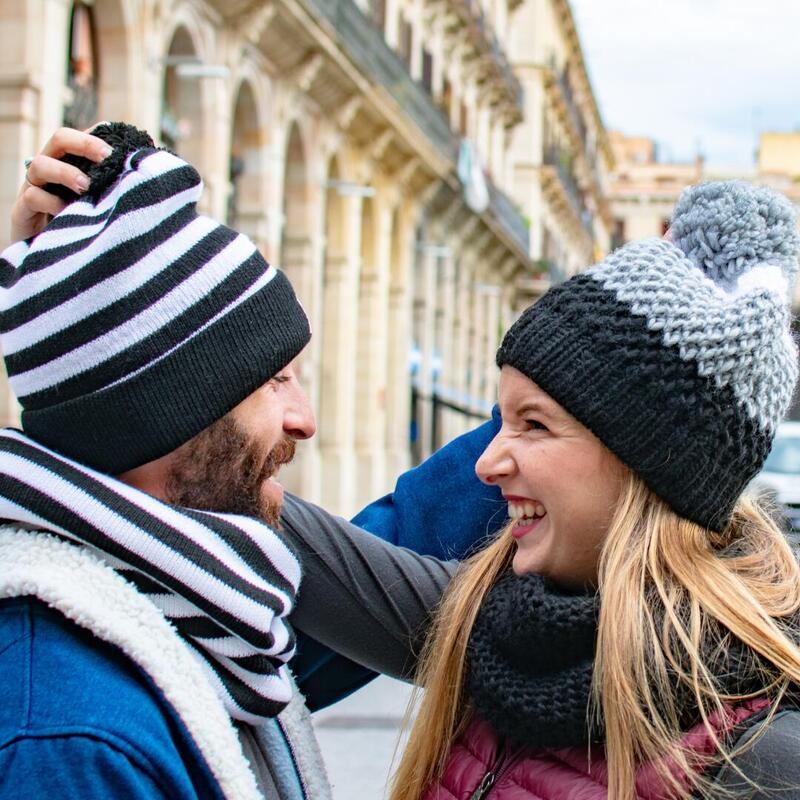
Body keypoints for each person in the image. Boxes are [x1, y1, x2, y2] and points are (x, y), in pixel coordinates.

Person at [0, 122, 506, 798]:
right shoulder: (69, 745)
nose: (306, 418)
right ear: (164, 412)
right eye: (275, 380)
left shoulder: (201, 594)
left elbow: (367, 574)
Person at [266, 180, 800, 799]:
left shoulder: (764, 762)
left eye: (534, 423)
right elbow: (321, 556)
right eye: (502, 419)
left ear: (650, 461)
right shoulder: (502, 628)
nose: (487, 464)